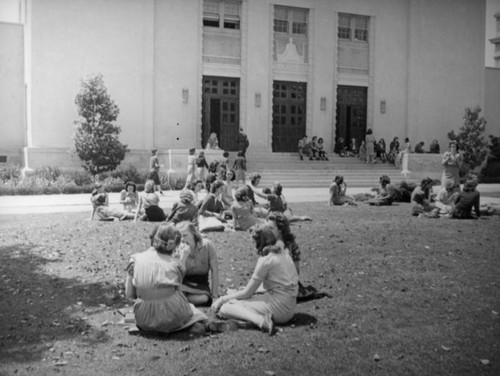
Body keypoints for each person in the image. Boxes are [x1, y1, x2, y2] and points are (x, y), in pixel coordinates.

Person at [211, 224, 299, 335]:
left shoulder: (266, 260)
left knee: (225, 308)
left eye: (253, 242)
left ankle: (260, 321)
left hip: (280, 308)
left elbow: (247, 293)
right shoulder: (283, 252)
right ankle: (256, 320)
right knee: (240, 300)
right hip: (290, 306)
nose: (252, 246)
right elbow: (269, 285)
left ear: (259, 242)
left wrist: (222, 299)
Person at [125, 224, 207, 334]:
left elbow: (130, 294)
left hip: (143, 318)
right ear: (172, 246)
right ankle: (194, 324)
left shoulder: (134, 259)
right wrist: (182, 259)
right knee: (190, 309)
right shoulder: (174, 264)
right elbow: (178, 292)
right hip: (172, 315)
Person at [175, 221, 219, 305]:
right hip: (184, 282)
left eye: (185, 235)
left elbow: (215, 271)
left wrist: (215, 295)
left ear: (193, 234)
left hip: (201, 283)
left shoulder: (207, 245)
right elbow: (176, 276)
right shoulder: (177, 250)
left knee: (204, 299)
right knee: (178, 294)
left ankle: (183, 300)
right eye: (180, 236)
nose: (182, 239)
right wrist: (183, 258)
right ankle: (182, 300)